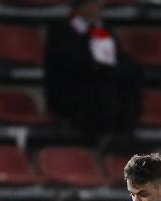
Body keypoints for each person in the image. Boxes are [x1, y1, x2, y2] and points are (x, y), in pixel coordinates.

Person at [44, 0, 140, 145]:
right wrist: (95, 65)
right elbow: (64, 61)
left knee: (126, 79)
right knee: (97, 88)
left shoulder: (102, 28)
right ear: (82, 6)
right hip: (73, 87)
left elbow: (116, 56)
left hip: (103, 80)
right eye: (95, 3)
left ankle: (121, 132)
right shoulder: (61, 28)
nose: (99, 7)